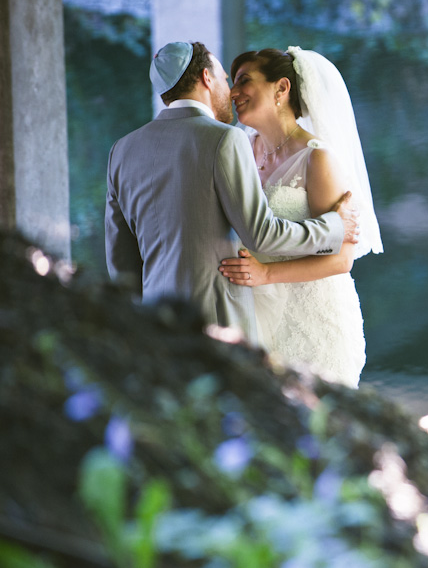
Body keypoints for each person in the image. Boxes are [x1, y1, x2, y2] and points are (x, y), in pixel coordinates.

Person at [105, 41, 359, 347]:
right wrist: (336, 225)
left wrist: (142, 322)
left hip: (157, 321)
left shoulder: (122, 149)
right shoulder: (226, 139)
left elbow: (120, 261)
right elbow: (261, 235)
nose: (232, 92)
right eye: (227, 79)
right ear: (205, 78)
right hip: (219, 320)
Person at [218, 47, 383, 388]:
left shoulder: (317, 159)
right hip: (253, 311)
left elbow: (341, 259)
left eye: (244, 81)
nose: (233, 93)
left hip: (312, 317)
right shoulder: (240, 149)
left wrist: (266, 273)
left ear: (281, 89)